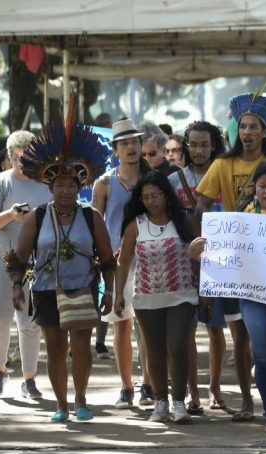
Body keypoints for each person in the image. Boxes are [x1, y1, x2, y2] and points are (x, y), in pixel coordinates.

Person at [195, 87, 266, 421]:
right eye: (242, 126)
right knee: (246, 341)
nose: (247, 132)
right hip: (242, 263)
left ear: (265, 132)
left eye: (253, 127)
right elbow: (202, 205)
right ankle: (251, 401)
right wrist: (212, 234)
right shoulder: (222, 163)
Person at [9, 113, 115, 422]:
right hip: (45, 289)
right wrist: (17, 285)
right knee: (55, 349)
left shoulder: (91, 216)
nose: (66, 191)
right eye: (60, 185)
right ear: (51, 187)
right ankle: (61, 405)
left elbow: (108, 259)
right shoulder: (37, 217)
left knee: (81, 347)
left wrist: (109, 289)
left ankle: (81, 399)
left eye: (71, 185)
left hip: (82, 288)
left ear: (80, 186)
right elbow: (19, 257)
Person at [115, 171, 198, 424]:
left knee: (177, 345)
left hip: (181, 295)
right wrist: (118, 293)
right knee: (155, 350)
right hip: (147, 297)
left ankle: (179, 402)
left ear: (166, 195)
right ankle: (160, 402)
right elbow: (124, 261)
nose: (151, 201)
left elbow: (204, 253)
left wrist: (207, 292)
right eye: (145, 197)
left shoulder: (184, 219)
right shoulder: (135, 225)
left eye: (156, 195)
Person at [0, 131, 53, 398]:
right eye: (18, 158)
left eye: (28, 158)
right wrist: (11, 214)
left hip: (33, 260)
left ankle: (29, 379)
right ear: (9, 158)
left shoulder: (46, 184)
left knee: (30, 321)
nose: (23, 164)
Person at [92, 118, 154, 409]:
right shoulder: (103, 184)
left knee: (149, 325)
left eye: (135, 141)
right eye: (124, 143)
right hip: (117, 263)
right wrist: (102, 260)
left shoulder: (154, 179)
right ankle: (126, 386)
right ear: (115, 149)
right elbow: (96, 225)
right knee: (122, 326)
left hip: (153, 258)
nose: (131, 147)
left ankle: (150, 383)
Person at [168, 120, 228, 413]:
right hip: (185, 260)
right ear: (185, 146)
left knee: (216, 329)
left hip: (220, 261)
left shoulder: (224, 173)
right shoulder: (175, 180)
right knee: (188, 330)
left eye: (205, 144)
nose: (199, 150)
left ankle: (214, 389)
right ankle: (192, 394)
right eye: (193, 144)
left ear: (214, 144)